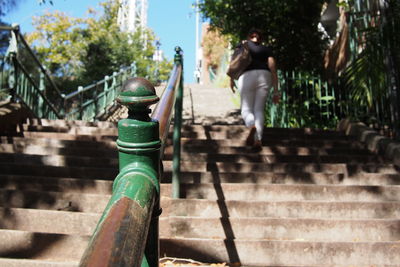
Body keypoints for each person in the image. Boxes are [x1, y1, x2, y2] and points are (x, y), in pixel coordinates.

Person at [230, 28, 280, 149]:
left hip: (247, 76)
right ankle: (258, 139)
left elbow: (234, 62)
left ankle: (252, 125)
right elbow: (273, 68)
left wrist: (231, 80)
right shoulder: (266, 49)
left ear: (249, 36)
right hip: (264, 75)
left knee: (246, 109)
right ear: (260, 38)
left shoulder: (242, 45)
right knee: (259, 110)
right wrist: (276, 91)